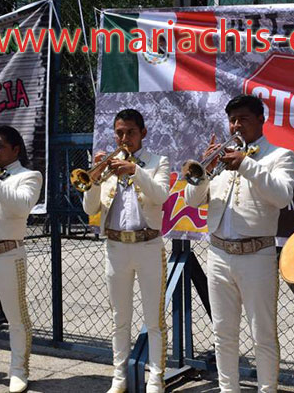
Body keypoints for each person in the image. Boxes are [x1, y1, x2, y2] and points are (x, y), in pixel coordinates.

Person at [184, 94, 294, 393]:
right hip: (219, 253)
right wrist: (203, 173)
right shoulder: (221, 158)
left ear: (262, 119)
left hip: (257, 254)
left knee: (263, 333)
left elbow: (282, 197)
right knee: (223, 332)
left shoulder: (279, 155)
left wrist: (246, 164)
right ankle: (228, 389)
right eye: (232, 120)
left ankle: (267, 389)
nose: (236, 125)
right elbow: (192, 202)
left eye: (244, 119)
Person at [82, 109, 170, 393]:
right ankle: (118, 377)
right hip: (116, 247)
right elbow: (90, 209)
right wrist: (94, 180)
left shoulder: (158, 162)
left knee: (153, 318)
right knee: (119, 318)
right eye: (119, 133)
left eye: (130, 132)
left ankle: (156, 377)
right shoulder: (108, 166)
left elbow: (160, 196)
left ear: (143, 133)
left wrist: (136, 170)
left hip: (148, 246)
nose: (124, 138)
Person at [0, 125, 42, 392]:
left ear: (15, 149)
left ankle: (18, 370)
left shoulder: (29, 176)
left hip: (8, 254)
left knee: (16, 316)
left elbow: (22, 205)